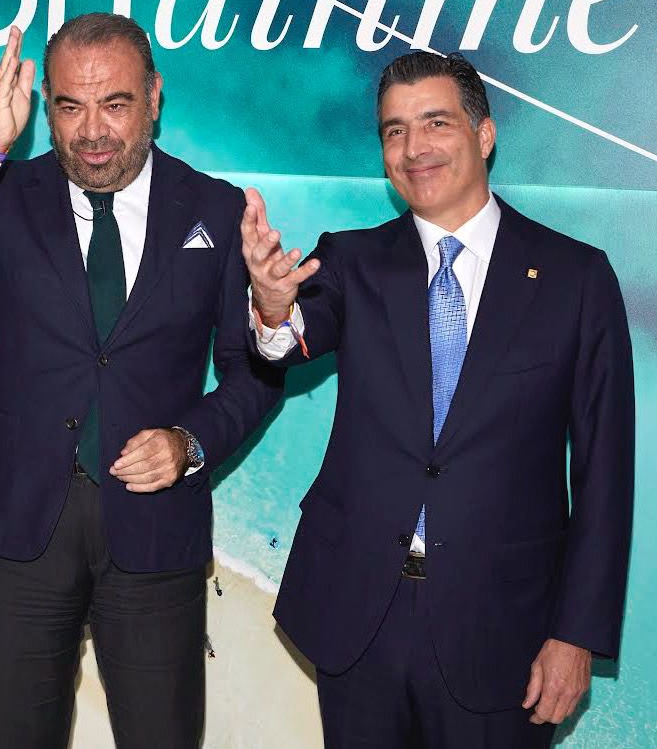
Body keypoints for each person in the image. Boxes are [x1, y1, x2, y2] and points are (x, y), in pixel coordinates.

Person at [0, 13, 282, 749]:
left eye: (115, 104)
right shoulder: (5, 194)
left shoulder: (215, 210)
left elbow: (255, 371)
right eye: (69, 106)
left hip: (155, 527)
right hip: (22, 521)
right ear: (47, 105)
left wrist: (189, 442)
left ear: (153, 97)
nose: (92, 131)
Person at [243, 51, 634, 748]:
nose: (413, 147)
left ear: (483, 134)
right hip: (360, 612)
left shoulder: (575, 279)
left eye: (435, 123)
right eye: (393, 130)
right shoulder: (351, 260)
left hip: (502, 628)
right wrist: (273, 307)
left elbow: (605, 475)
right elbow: (290, 339)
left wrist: (575, 633)